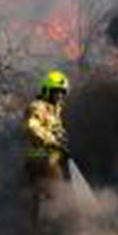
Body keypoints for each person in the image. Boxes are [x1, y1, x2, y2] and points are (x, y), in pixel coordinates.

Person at [24, 70, 72, 225]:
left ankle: (51, 227)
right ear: (46, 90)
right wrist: (50, 140)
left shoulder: (54, 112)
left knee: (56, 195)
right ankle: (42, 230)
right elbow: (32, 127)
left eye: (62, 93)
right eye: (56, 92)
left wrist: (61, 142)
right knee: (52, 194)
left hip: (52, 160)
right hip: (39, 159)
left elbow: (57, 133)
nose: (59, 97)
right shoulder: (37, 107)